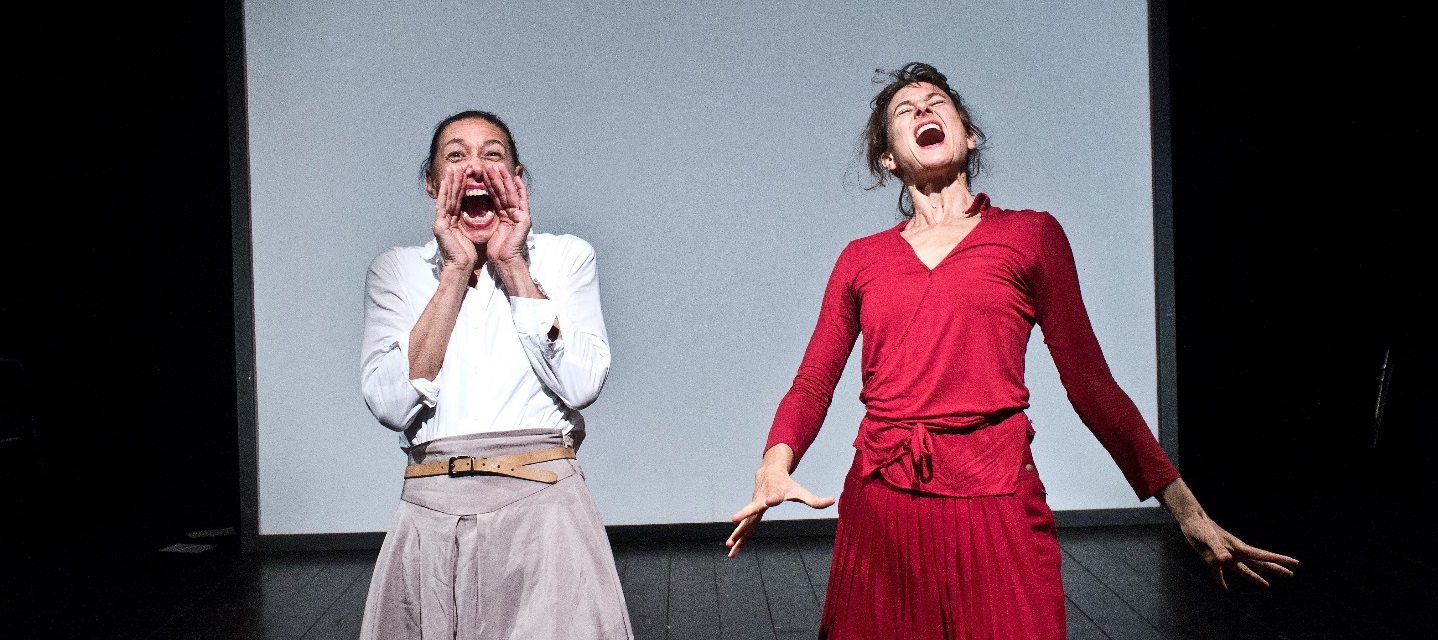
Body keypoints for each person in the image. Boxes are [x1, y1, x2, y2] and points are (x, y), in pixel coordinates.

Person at [726, 63, 1299, 639]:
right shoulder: (861, 259)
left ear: (969, 135)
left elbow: (1091, 385)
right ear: (887, 159)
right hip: (884, 509)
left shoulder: (1030, 235)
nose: (924, 111)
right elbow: (812, 383)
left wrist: (1186, 511)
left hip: (996, 498)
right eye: (905, 111)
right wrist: (775, 466)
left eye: (937, 102)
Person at [358, 110, 632, 640]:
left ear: (517, 176)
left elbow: (583, 384)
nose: (475, 168)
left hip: (545, 515)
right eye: (456, 156)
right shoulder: (396, 270)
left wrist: (511, 266)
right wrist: (457, 271)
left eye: (493, 155)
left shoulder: (565, 257)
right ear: (433, 183)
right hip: (430, 519)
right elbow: (391, 406)